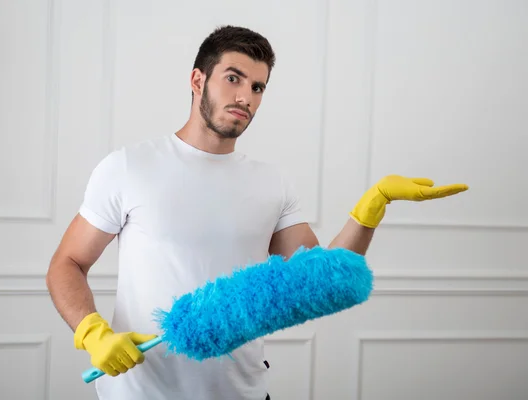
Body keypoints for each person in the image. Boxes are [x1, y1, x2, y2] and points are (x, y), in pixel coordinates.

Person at [45, 25, 468, 400]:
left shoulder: (271, 181)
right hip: (142, 391)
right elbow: (68, 263)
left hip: (242, 390)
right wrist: (93, 333)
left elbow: (320, 279)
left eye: (258, 87)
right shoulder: (129, 167)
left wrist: (372, 205)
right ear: (198, 79)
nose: (245, 96)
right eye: (234, 79)